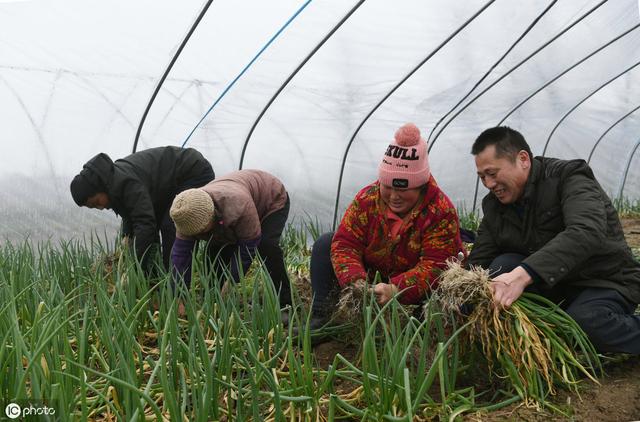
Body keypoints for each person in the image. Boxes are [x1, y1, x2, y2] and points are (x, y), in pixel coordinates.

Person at [467, 126, 640, 354]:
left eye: (493, 173)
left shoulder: (569, 176)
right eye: (482, 177)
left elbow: (586, 231)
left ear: (522, 159)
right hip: (555, 283)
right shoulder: (495, 205)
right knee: (500, 266)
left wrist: (523, 275)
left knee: (584, 322)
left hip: (605, 279)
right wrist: (456, 298)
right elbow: (480, 258)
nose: (488, 184)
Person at [306, 123, 466, 331]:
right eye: (387, 187)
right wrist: (356, 281)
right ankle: (321, 317)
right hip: (375, 272)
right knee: (325, 243)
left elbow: (436, 265)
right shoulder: (367, 198)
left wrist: (397, 288)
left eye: (403, 189)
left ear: (420, 185)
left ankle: (420, 324)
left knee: (439, 296)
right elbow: (346, 243)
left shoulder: (440, 211)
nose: (393, 196)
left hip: (417, 281)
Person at [70, 146, 215, 274]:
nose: (100, 207)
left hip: (194, 172)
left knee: (171, 224)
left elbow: (145, 224)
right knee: (154, 226)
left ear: (99, 188)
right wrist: (127, 237)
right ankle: (157, 274)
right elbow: (131, 215)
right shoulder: (111, 184)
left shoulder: (125, 183)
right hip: (168, 187)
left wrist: (135, 265)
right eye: (94, 207)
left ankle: (175, 278)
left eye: (96, 202)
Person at [169, 169, 292, 312]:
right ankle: (213, 297)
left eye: (202, 229)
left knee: (266, 246)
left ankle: (285, 302)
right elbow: (180, 256)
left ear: (212, 214)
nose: (200, 234)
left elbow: (248, 246)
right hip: (234, 200)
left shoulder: (238, 205)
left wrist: (232, 280)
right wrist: (177, 296)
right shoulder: (186, 215)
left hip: (270, 198)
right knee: (215, 250)